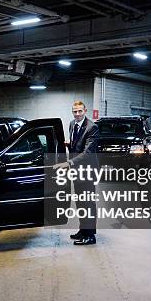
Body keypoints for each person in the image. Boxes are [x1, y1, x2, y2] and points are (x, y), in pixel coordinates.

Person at [53, 100, 99, 245]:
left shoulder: (92, 127)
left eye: (80, 111)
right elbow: (75, 146)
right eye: (75, 111)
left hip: (87, 170)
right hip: (77, 171)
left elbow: (87, 153)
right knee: (80, 202)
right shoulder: (72, 124)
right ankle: (83, 230)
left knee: (88, 203)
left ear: (85, 111)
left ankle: (90, 235)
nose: (77, 114)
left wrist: (68, 163)